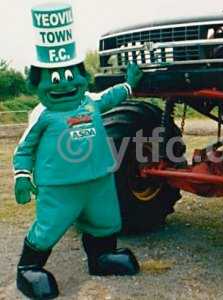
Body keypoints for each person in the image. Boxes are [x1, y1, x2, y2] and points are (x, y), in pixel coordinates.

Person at [13, 3, 143, 299]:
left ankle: (102, 258)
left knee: (106, 220)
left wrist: (130, 84)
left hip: (99, 179)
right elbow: (24, 148)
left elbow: (110, 97)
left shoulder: (89, 101)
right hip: (59, 187)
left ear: (82, 75)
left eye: (72, 74)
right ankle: (29, 269)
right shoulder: (42, 114)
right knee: (49, 227)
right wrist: (22, 176)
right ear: (38, 83)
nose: (66, 82)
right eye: (55, 77)